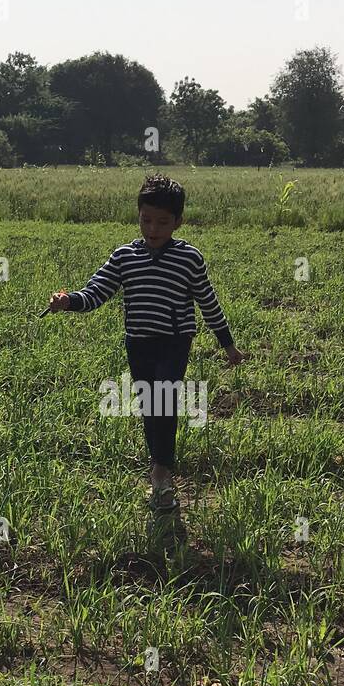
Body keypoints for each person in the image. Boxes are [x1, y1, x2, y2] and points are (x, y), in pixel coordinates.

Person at [46, 173, 245, 521]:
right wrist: (69, 301)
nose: (153, 229)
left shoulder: (189, 259)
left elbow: (208, 302)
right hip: (138, 343)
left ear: (179, 222)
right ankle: (159, 467)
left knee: (164, 400)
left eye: (163, 223)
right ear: (137, 215)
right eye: (146, 220)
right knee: (149, 405)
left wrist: (228, 345)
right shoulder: (124, 257)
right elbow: (97, 292)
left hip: (174, 341)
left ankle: (162, 475)